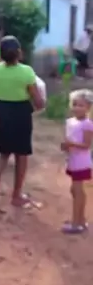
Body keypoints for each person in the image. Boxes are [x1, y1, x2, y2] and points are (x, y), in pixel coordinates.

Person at [0, 35, 45, 206]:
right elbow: (38, 101)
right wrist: (37, 107)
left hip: (1, 111)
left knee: (4, 151)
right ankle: (16, 194)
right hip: (21, 113)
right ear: (19, 52)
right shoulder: (26, 72)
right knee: (21, 154)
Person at [61, 89, 93, 233]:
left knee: (78, 191)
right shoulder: (70, 122)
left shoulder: (87, 124)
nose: (77, 108)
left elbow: (86, 145)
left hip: (81, 162)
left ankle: (76, 223)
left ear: (88, 107)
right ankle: (80, 220)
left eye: (81, 105)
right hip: (73, 160)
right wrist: (66, 146)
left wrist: (71, 144)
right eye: (75, 104)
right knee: (75, 190)